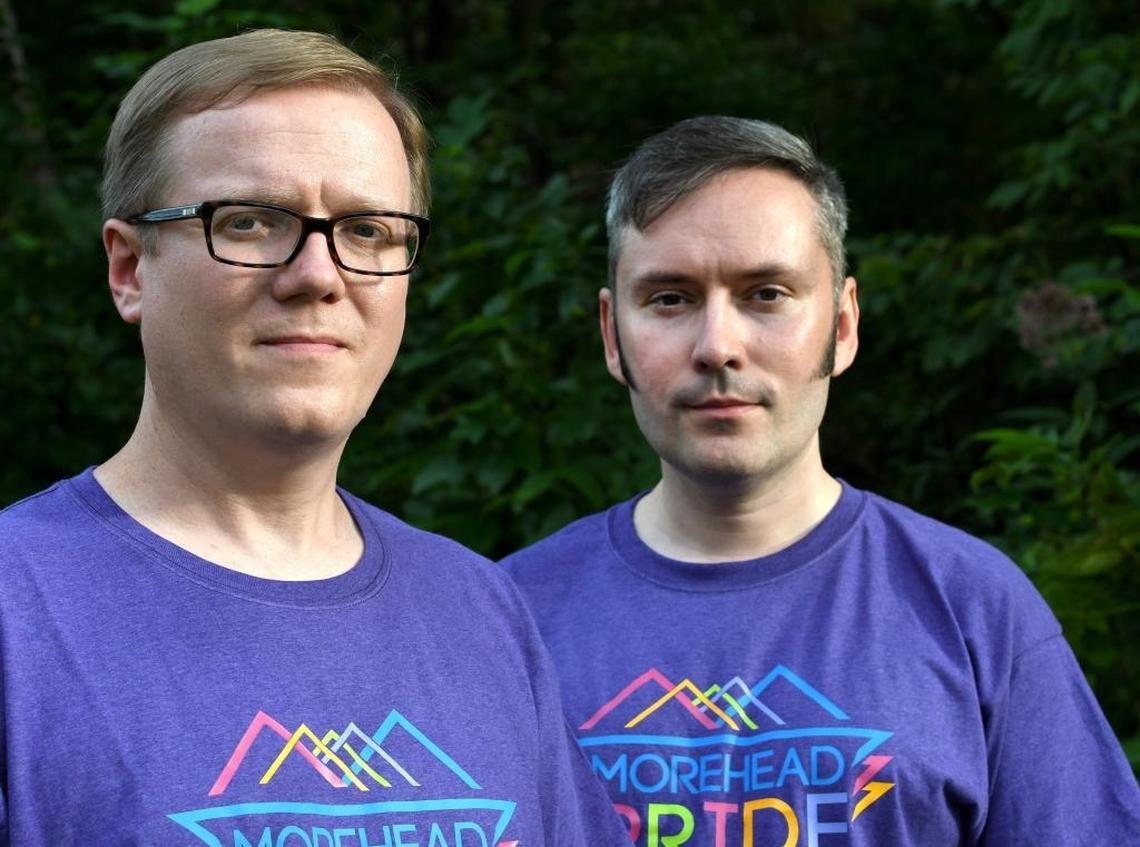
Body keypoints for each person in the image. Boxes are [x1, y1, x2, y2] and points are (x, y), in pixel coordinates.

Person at [0, 29, 628, 846]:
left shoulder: (480, 609)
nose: (319, 275)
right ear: (130, 270)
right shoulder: (17, 613)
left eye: (369, 230)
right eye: (253, 220)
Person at [501, 116, 1140, 845]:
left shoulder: (973, 610)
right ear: (614, 335)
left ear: (842, 325)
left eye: (766, 293)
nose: (718, 347)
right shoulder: (508, 619)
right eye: (671, 298)